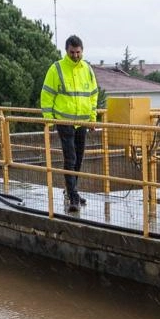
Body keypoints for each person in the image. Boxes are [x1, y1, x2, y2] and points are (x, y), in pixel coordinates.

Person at [40, 35, 103, 210]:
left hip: (82, 122)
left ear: (82, 50)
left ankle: (71, 190)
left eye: (78, 52)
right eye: (72, 52)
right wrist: (49, 120)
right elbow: (47, 94)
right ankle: (73, 196)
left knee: (79, 157)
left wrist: (92, 118)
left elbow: (93, 95)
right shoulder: (57, 68)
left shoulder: (87, 69)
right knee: (70, 157)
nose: (75, 55)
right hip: (64, 121)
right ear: (66, 51)